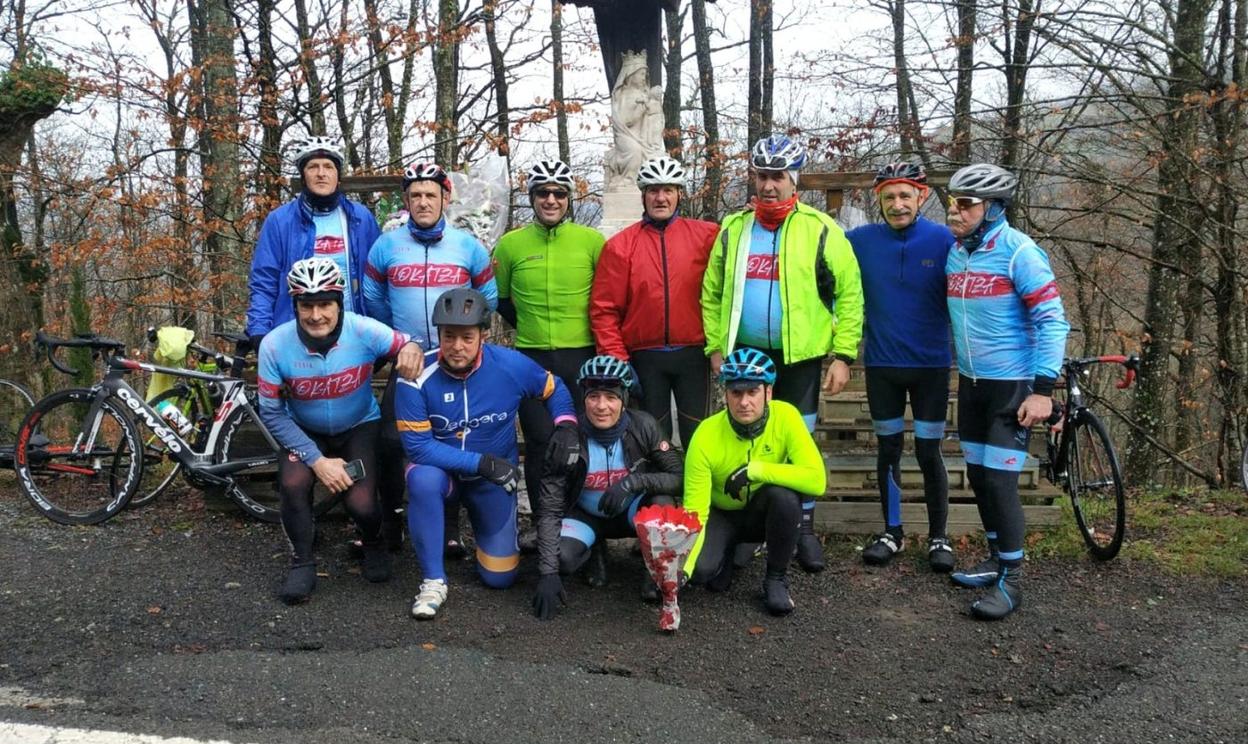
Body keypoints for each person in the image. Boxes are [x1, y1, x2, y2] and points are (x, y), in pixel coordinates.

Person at [701, 133, 864, 573]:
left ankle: (803, 529)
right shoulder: (734, 229)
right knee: (743, 437)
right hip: (746, 354)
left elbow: (850, 294)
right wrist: (716, 345)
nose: (769, 185)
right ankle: (746, 525)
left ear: (794, 181)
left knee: (798, 442)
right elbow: (712, 292)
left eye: (778, 177)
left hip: (800, 357)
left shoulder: (820, 228)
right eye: (761, 176)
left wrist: (844, 354)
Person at [395, 288, 580, 620]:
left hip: (492, 480)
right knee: (421, 479)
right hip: (443, 474)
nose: (457, 347)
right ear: (438, 334)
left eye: (467, 337)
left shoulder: (509, 365)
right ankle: (433, 579)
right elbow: (418, 448)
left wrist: (566, 424)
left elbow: (555, 388)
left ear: (483, 334)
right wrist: (480, 462)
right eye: (448, 336)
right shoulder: (416, 375)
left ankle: (487, 542)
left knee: (500, 578)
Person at [256, 257, 424, 605]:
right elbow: (271, 413)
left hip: (358, 425)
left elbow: (406, 343)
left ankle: (373, 543)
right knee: (292, 482)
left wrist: (410, 348)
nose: (316, 315)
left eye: (324, 305)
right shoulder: (274, 345)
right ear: (296, 306)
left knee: (362, 504)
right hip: (304, 429)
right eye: (307, 305)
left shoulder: (363, 330)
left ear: (339, 304)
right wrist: (317, 461)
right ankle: (302, 561)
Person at [944, 163, 1069, 620]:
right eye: (953, 201)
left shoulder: (1021, 253)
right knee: (978, 477)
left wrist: (1042, 391)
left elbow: (1053, 321)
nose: (954, 211)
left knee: (999, 480)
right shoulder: (956, 253)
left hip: (1014, 386)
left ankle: (1013, 581)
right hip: (973, 385)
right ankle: (998, 560)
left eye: (966, 204)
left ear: (993, 208)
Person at [364, 162, 496, 553]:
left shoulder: (467, 245)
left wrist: (463, 345)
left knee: (450, 441)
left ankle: (449, 527)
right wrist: (400, 342)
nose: (423, 202)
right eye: (416, 196)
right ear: (406, 201)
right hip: (406, 358)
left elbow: (487, 300)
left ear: (446, 198)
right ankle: (392, 522)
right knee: (390, 442)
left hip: (451, 362)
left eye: (430, 195)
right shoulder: (386, 245)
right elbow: (373, 299)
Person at [846, 162, 957, 571]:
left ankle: (939, 537)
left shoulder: (945, 240)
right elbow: (818, 255)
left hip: (931, 366)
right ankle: (892, 531)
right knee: (888, 451)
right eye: (889, 197)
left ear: (921, 197)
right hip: (882, 366)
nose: (897, 204)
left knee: (930, 451)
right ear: (879, 200)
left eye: (905, 196)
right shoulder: (861, 240)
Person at [530, 355, 684, 620]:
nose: (602, 406)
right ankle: (595, 549)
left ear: (623, 399)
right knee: (562, 559)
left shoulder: (644, 425)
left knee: (663, 502)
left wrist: (633, 482)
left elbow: (678, 476)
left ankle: (656, 572)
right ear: (584, 399)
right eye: (594, 397)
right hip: (587, 517)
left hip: (631, 511)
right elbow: (551, 505)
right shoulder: (568, 436)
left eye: (611, 397)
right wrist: (548, 573)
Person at [492, 160, 605, 512]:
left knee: (583, 438)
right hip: (532, 358)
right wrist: (529, 327)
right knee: (541, 441)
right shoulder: (510, 245)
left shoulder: (592, 241)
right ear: (532, 198)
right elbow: (502, 300)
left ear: (569, 199)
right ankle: (544, 522)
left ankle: (582, 518)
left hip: (582, 355)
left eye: (559, 193)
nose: (551, 200)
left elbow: (605, 297)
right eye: (543, 193)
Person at [680, 348, 828, 616]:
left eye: (752, 392)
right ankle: (731, 552)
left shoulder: (787, 417)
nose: (744, 402)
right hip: (721, 514)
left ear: (768, 393)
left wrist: (755, 470)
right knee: (702, 574)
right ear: (725, 395)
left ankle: (775, 579)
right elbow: (695, 511)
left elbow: (817, 481)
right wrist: (682, 569)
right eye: (736, 393)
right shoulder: (706, 434)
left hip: (762, 511)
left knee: (785, 497)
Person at [590, 156, 719, 447]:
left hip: (693, 353)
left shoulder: (707, 235)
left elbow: (733, 271)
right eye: (653, 190)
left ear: (679, 194)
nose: (660, 197)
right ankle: (658, 493)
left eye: (668, 190)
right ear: (643, 195)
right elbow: (604, 309)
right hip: (645, 357)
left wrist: (753, 215)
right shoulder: (621, 245)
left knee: (699, 437)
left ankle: (696, 491)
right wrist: (618, 360)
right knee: (652, 439)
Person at [247, 136, 379, 351]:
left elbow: (378, 281)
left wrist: (381, 330)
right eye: (312, 167)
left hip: (352, 333)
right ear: (303, 174)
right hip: (296, 333)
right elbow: (264, 281)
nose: (321, 173)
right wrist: (259, 331)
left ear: (338, 175)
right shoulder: (280, 221)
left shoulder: (360, 218)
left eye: (328, 166)